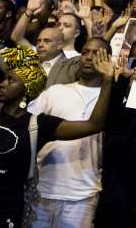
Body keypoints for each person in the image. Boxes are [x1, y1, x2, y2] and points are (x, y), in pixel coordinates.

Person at [0, 35, 114, 228]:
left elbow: (93, 125)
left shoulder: (37, 125)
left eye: (11, 80)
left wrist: (108, 81)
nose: (2, 83)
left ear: (27, 88)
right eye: (4, 79)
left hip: (3, 215)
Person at [25, 37, 114, 228]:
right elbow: (26, 127)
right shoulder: (55, 92)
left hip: (83, 195)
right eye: (85, 52)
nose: (89, 57)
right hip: (42, 189)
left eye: (96, 54)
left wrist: (110, 81)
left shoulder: (110, 100)